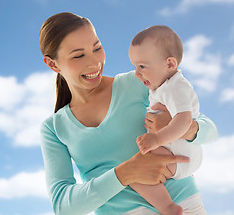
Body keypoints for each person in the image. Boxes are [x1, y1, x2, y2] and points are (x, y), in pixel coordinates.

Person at [39, 12, 217, 215]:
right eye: (79, 55)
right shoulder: (54, 128)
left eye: (97, 48)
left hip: (184, 206)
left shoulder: (138, 83)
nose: (94, 62)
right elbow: (63, 206)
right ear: (53, 64)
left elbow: (210, 130)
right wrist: (125, 173)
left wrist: (179, 126)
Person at [127, 25, 204, 215]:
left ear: (170, 64)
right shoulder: (164, 86)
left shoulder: (175, 88)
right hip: (181, 152)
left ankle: (168, 207)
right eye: (135, 67)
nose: (137, 73)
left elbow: (184, 120)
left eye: (142, 66)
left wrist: (157, 139)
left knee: (134, 173)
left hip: (179, 153)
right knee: (136, 169)